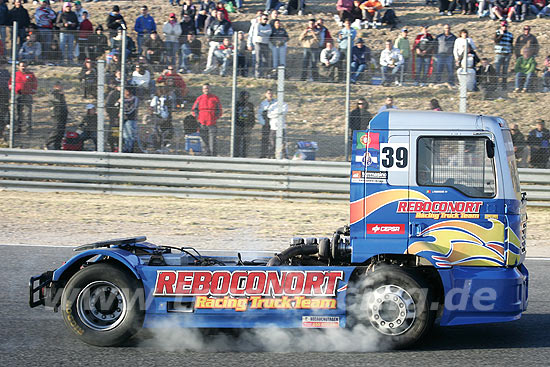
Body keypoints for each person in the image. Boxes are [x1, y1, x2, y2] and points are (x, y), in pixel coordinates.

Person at [191, 84, 222, 156]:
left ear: (210, 89)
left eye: (207, 88)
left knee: (212, 141)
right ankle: (206, 156)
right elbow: (194, 110)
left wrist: (215, 118)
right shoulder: (199, 98)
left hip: (212, 123)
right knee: (204, 141)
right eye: (204, 88)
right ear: (202, 90)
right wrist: (199, 117)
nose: (206, 90)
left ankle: (213, 156)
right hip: (202, 123)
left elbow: (219, 110)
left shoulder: (215, 98)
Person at [9, 61, 37, 134]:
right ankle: (18, 127)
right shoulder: (15, 74)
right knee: (18, 112)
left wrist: (33, 91)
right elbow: (10, 83)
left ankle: (28, 128)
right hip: (18, 95)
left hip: (27, 95)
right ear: (18, 67)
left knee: (28, 112)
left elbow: (35, 83)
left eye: (25, 66)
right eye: (22, 66)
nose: (23, 67)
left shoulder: (31, 74)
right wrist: (13, 90)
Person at [248, 12, 271, 78]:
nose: (265, 20)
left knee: (266, 60)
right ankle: (257, 74)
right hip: (258, 43)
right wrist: (265, 33)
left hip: (266, 44)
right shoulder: (257, 25)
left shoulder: (268, 26)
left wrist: (262, 33)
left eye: (266, 19)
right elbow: (257, 33)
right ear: (260, 19)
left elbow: (269, 33)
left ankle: (265, 74)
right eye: (264, 19)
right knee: (257, 60)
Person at [45, 81, 68, 150]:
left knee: (61, 131)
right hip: (56, 114)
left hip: (63, 114)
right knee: (56, 130)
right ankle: (47, 143)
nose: (62, 87)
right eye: (60, 86)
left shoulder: (61, 94)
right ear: (56, 86)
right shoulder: (54, 93)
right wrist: (60, 95)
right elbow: (57, 101)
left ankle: (57, 145)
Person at [257, 89, 277, 158]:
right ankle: (263, 154)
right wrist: (263, 122)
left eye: (271, 93)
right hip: (266, 123)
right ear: (265, 94)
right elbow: (259, 114)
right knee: (265, 139)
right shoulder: (263, 103)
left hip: (274, 124)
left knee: (273, 140)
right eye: (268, 93)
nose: (270, 95)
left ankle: (272, 154)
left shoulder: (276, 102)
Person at [235, 90, 255, 158]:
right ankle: (236, 155)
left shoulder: (250, 105)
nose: (246, 97)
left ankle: (244, 155)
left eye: (247, 96)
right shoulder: (237, 104)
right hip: (238, 125)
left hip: (247, 126)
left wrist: (252, 124)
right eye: (245, 96)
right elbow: (234, 115)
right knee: (237, 141)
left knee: (245, 142)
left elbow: (252, 115)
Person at [494, 21, 513, 90]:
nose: (504, 27)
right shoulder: (497, 32)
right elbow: (496, 41)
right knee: (497, 71)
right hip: (499, 54)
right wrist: (501, 35)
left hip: (507, 54)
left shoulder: (510, 34)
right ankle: (495, 85)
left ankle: (504, 86)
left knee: (505, 71)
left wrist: (511, 52)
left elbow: (511, 44)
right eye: (503, 26)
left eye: (505, 26)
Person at [119, 88, 139, 153]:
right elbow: (115, 105)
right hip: (123, 119)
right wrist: (119, 102)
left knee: (129, 136)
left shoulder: (134, 98)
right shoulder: (122, 98)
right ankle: (125, 148)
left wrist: (123, 113)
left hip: (131, 119)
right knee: (124, 135)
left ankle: (129, 150)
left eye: (125, 91)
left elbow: (131, 109)